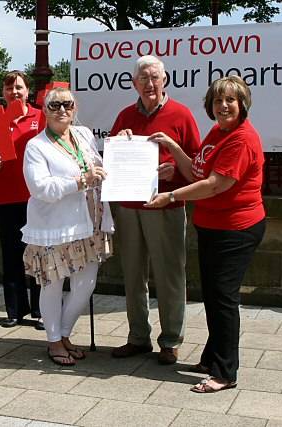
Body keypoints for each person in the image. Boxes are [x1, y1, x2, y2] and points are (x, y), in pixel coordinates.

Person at [146, 75, 266, 392]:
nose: (223, 106)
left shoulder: (241, 139)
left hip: (236, 230)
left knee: (223, 299)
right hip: (213, 227)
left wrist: (172, 196)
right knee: (213, 296)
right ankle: (213, 358)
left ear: (243, 104)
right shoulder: (217, 132)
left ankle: (225, 373)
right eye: (217, 100)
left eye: (230, 100)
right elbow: (197, 171)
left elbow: (215, 185)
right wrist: (173, 147)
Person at [110, 55, 201, 365]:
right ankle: (138, 337)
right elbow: (111, 162)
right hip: (129, 205)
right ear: (134, 83)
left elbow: (196, 170)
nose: (149, 84)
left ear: (165, 80)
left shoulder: (181, 115)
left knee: (169, 274)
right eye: (143, 79)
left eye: (155, 78)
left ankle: (171, 340)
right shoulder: (124, 116)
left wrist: (172, 169)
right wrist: (119, 143)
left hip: (166, 205)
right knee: (133, 274)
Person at [22, 87, 114, 366]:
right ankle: (53, 340)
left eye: (68, 104)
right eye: (55, 105)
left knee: (86, 285)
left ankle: (64, 333)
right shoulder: (36, 146)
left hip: (91, 223)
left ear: (75, 108)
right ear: (45, 111)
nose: (62, 110)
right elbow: (40, 188)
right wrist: (79, 181)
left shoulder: (84, 134)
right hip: (56, 226)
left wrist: (121, 146)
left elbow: (100, 164)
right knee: (53, 285)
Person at [0, 71, 45, 329]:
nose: (14, 92)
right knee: (11, 255)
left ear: (27, 91)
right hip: (7, 197)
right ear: (4, 92)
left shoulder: (41, 117)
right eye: (9, 88)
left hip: (37, 198)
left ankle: (41, 310)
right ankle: (15, 310)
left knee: (40, 254)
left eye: (19, 87)